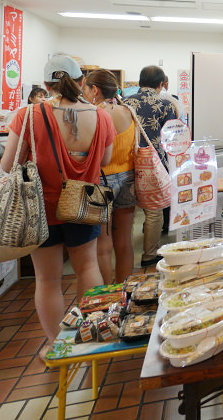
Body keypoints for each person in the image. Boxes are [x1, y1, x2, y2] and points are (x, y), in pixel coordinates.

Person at [0, 55, 115, 362]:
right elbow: (104, 161)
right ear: (81, 82)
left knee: (48, 279)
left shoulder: (27, 114)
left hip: (42, 206)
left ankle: (56, 345)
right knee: (88, 267)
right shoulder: (101, 116)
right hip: (84, 201)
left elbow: (7, 163)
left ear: (47, 84)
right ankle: (89, 335)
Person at [83, 70, 137, 285]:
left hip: (100, 181)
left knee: (103, 246)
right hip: (128, 180)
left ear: (95, 90)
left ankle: (109, 298)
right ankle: (126, 293)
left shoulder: (92, 114)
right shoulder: (128, 111)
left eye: (85, 88)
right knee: (124, 242)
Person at [124, 65, 179, 266]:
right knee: (154, 210)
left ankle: (124, 257)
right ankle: (149, 255)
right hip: (153, 164)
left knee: (126, 213)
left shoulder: (124, 103)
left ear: (140, 82)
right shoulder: (166, 105)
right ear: (160, 84)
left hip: (126, 163)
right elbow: (171, 138)